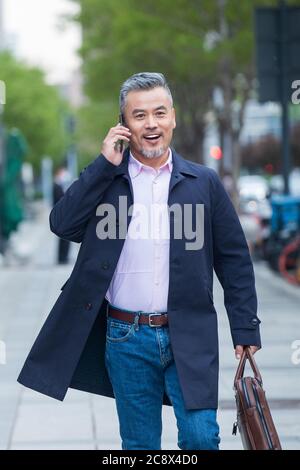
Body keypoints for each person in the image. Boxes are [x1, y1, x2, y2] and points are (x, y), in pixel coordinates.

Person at [18, 72, 261, 450]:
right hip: (125, 336)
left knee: (201, 437)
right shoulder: (106, 181)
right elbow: (62, 224)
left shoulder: (203, 182)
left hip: (190, 332)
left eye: (159, 113)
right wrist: (103, 164)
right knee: (140, 444)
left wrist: (245, 327)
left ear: (174, 118)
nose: (151, 124)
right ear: (123, 125)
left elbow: (234, 260)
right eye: (139, 115)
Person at [52, 167, 71, 264]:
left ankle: (64, 257)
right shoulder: (56, 186)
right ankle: (62, 257)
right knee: (63, 238)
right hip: (62, 215)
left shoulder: (59, 186)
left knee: (65, 239)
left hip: (64, 215)